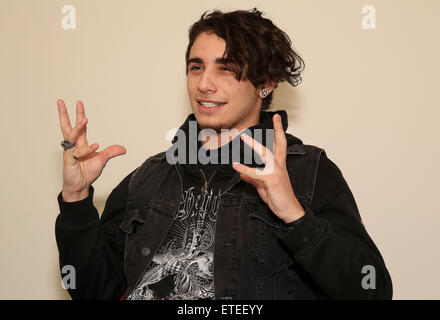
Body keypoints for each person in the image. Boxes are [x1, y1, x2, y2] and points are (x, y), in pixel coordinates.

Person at [55, 8, 392, 300]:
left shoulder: (306, 172)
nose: (204, 84)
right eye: (196, 67)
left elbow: (371, 289)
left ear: (267, 83)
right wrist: (75, 199)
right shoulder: (148, 176)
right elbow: (91, 291)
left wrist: (295, 215)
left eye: (226, 69)